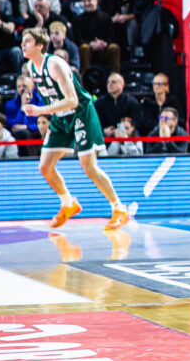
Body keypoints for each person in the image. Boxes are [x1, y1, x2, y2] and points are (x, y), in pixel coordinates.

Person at [20, 28, 131, 229]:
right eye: (23, 41)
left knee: (88, 166)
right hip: (60, 116)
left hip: (80, 112)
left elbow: (72, 100)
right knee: (45, 166)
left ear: (40, 45)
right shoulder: (30, 66)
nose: (22, 45)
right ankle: (68, 203)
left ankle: (119, 209)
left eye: (27, 41)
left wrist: (40, 110)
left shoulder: (54, 64)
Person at [74, 0, 121, 75]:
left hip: (103, 49)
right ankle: (83, 77)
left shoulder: (106, 17)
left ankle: (115, 76)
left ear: (96, 0)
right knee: (84, 47)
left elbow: (112, 37)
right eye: (84, 1)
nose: (87, 3)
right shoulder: (78, 20)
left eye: (89, 0)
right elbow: (78, 39)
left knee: (114, 48)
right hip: (88, 50)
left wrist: (103, 43)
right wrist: (91, 44)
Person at [94, 72, 141, 139]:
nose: (109, 84)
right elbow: (95, 123)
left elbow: (136, 123)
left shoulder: (132, 102)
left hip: (127, 136)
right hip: (106, 137)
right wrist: (103, 130)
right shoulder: (99, 103)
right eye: (108, 82)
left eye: (113, 82)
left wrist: (124, 130)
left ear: (122, 84)